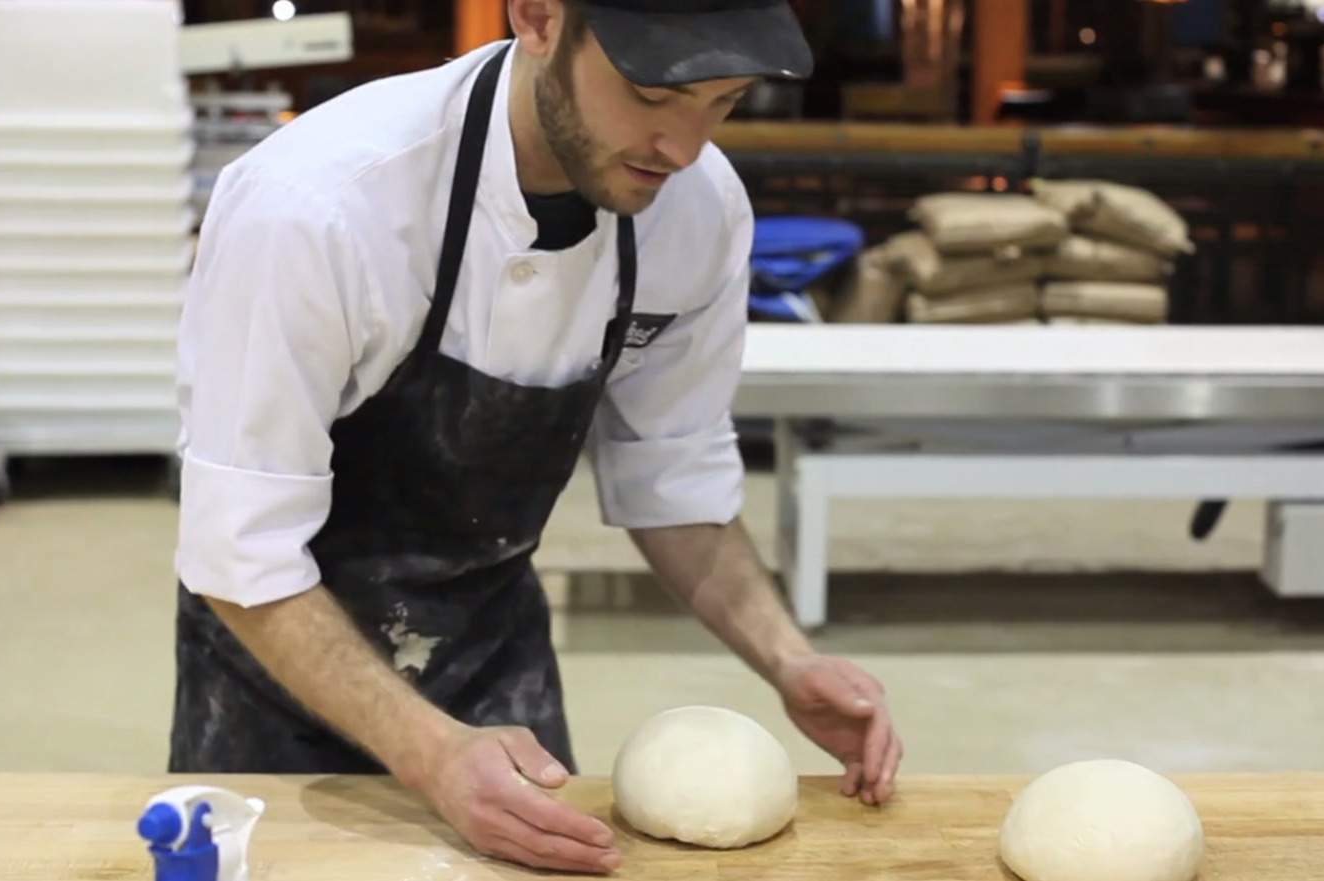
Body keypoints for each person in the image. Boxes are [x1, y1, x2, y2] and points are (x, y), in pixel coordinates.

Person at [168, 0, 903, 873]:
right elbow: (241, 551)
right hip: (279, 680)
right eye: (650, 93)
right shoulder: (320, 206)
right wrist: (430, 753)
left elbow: (672, 477)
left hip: (492, 666)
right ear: (540, 17)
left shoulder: (695, 213)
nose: (684, 146)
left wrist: (789, 659)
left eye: (725, 101)